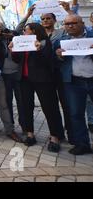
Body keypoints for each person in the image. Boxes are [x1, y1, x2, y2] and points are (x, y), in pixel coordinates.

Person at [9, 23, 64, 152]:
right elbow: (18, 60)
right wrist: (12, 51)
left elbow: (47, 61)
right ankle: (30, 134)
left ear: (33, 31)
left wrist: (39, 50)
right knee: (26, 106)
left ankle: (55, 137)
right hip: (25, 79)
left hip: (43, 80)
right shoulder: (22, 42)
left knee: (49, 107)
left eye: (25, 30)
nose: (23, 32)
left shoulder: (44, 42)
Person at [54, 14, 93, 155]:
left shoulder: (92, 35)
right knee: (76, 114)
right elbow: (54, 60)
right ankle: (83, 144)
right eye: (67, 24)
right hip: (74, 82)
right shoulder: (61, 40)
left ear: (82, 23)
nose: (70, 26)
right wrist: (58, 54)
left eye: (73, 23)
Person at [0, 22, 25, 132]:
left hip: (17, 73)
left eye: (2, 28)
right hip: (4, 74)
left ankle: (24, 124)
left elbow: (20, 28)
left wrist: (12, 37)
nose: (1, 31)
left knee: (21, 100)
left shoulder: (13, 35)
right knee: (7, 100)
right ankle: (11, 124)